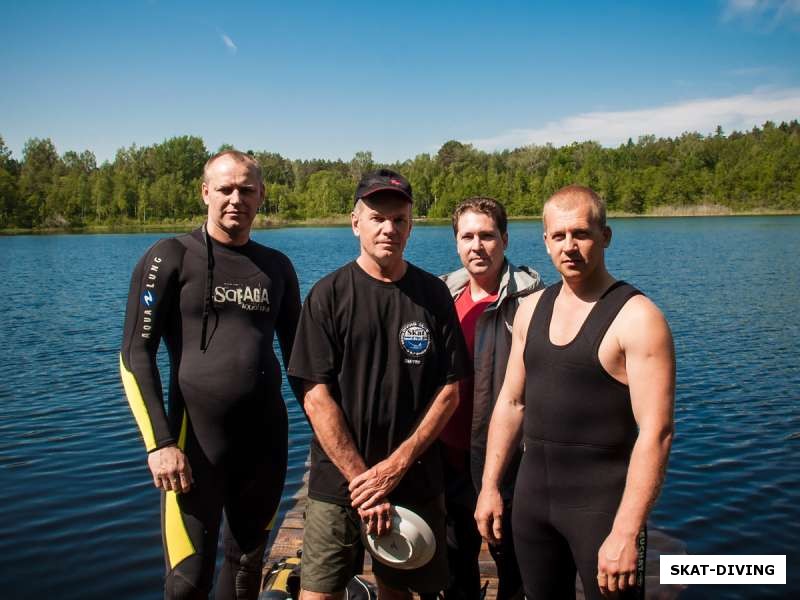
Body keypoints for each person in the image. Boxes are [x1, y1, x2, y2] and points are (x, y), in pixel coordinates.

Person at [475, 185, 675, 599]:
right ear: (545, 241)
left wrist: (627, 529)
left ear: (605, 236)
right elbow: (511, 404)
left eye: (581, 233)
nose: (570, 246)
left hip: (602, 510)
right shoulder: (531, 309)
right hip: (532, 504)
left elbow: (656, 433)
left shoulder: (638, 318)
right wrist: (490, 486)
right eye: (559, 236)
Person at [120, 150, 301, 600]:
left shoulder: (276, 267)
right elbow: (134, 355)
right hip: (192, 446)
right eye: (224, 189)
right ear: (205, 192)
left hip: (265, 444)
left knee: (244, 573)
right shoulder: (169, 257)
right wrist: (160, 444)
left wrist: (337, 428)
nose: (235, 199)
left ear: (261, 196)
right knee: (186, 583)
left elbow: (304, 359)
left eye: (246, 189)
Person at [287, 169, 471, 600]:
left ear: (411, 224)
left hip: (415, 478)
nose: (389, 228)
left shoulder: (433, 295)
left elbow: (450, 391)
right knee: (319, 592)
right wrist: (364, 482)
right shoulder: (328, 295)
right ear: (356, 223)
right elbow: (315, 397)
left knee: (400, 591)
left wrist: (396, 465)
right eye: (377, 217)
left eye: (400, 219)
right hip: (340, 485)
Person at [439, 198, 543, 600]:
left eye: (487, 235)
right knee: (453, 567)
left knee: (514, 570)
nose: (477, 246)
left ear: (505, 239)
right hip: (448, 460)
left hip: (507, 466)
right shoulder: (442, 297)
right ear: (456, 243)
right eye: (467, 236)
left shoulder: (532, 302)